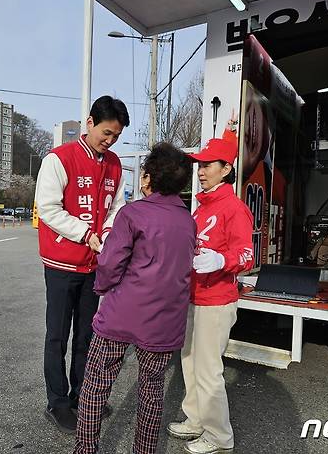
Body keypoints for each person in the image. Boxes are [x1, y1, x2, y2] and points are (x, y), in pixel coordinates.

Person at [74, 143, 196, 454]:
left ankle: (86, 449)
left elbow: (111, 263)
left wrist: (102, 287)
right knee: (153, 391)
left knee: (96, 385)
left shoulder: (132, 214)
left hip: (121, 314)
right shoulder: (188, 221)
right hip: (164, 322)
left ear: (149, 178)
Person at [35, 96, 129, 433]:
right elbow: (47, 208)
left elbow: (117, 206)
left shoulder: (115, 165)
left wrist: (106, 231)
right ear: (89, 123)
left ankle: (81, 398)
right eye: (106, 132)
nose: (110, 140)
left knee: (87, 336)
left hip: (94, 265)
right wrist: (86, 233)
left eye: (116, 136)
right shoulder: (59, 159)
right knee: (57, 336)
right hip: (61, 262)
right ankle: (57, 402)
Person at [167, 125, 255, 454]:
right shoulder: (202, 206)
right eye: (200, 165)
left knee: (208, 371)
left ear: (226, 169)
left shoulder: (234, 208)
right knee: (189, 362)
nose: (201, 171)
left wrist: (222, 259)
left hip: (216, 302)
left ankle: (219, 436)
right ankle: (195, 420)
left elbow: (247, 254)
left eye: (208, 165)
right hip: (193, 297)